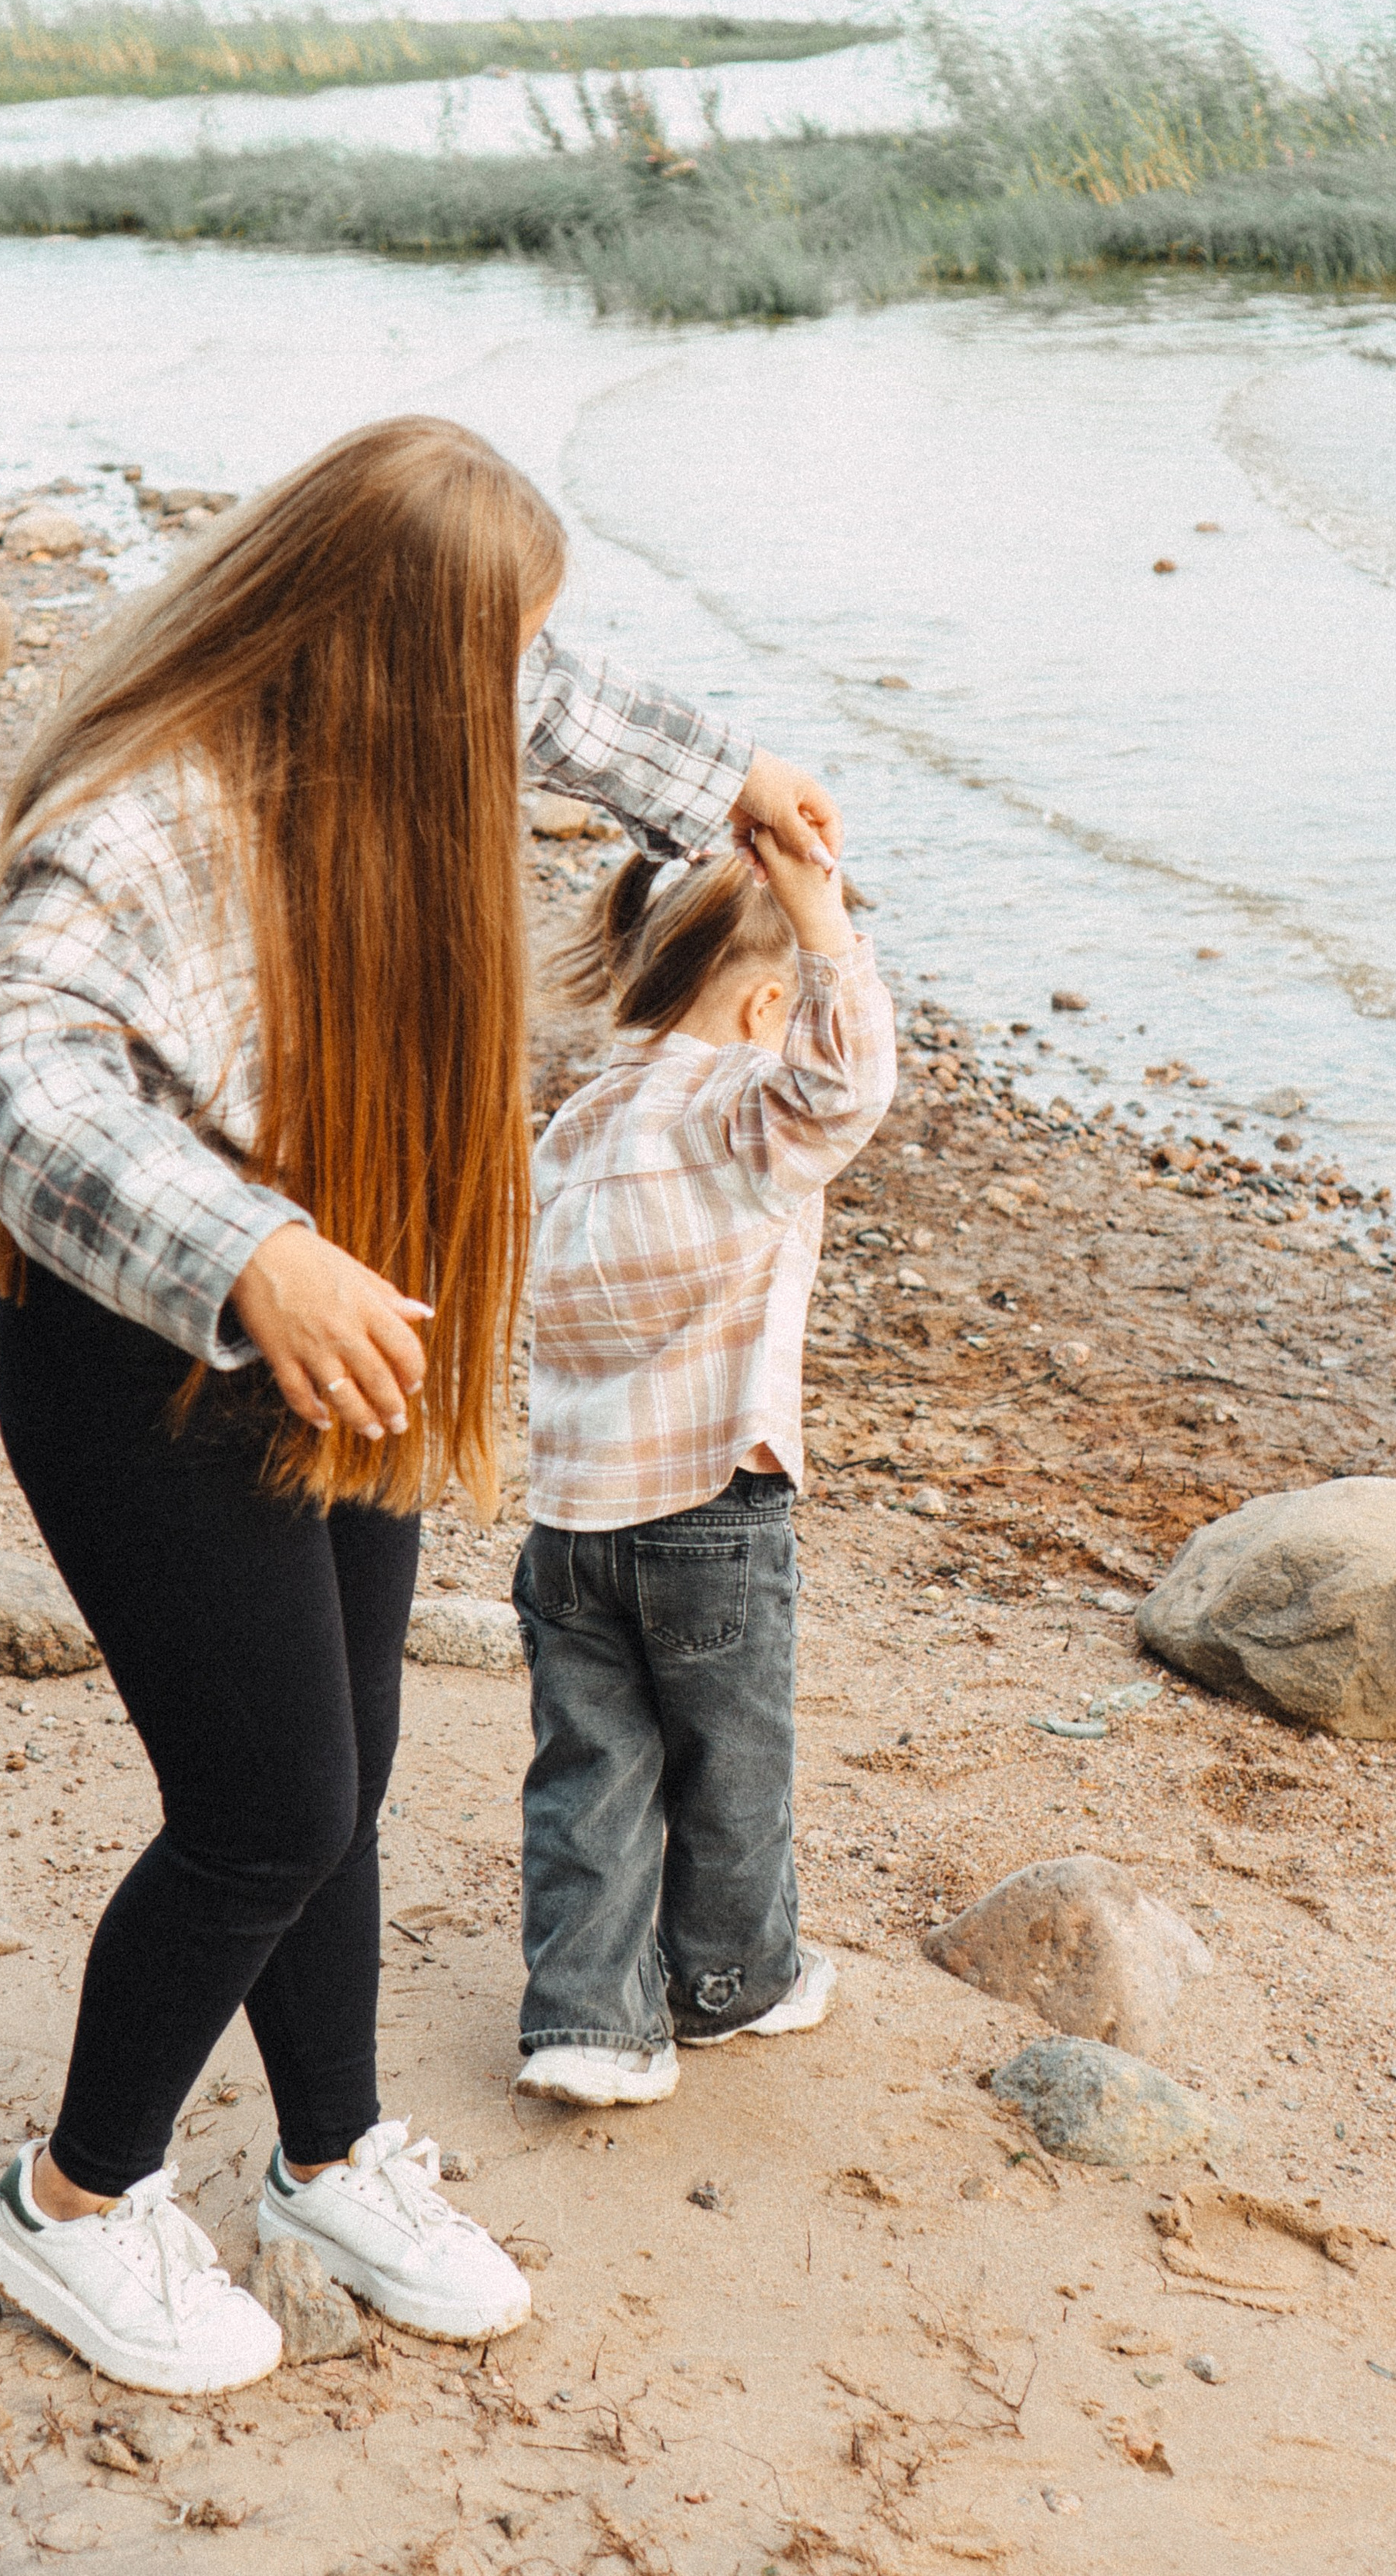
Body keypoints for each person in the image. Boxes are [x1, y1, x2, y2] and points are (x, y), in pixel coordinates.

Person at [0, 416, 842, 2394]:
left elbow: (557, 693)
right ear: (368, 643)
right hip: (153, 1360)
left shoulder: (392, 693)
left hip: (340, 1342)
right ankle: (74, 2202)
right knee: (261, 1811)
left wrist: (727, 784)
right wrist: (248, 1251)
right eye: (487, 651)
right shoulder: (154, 810)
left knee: (339, 1779)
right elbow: (21, 1067)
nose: (511, 691)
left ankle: (330, 2156)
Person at [510, 830, 896, 2109]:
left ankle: (583, 2021)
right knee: (731, 1765)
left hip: (569, 1522)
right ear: (770, 1005)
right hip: (714, 1513)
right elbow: (851, 1085)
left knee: (591, 1769)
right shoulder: (743, 1107)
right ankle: (727, 1983)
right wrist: (822, 913)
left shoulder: (576, 1122)